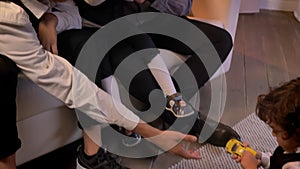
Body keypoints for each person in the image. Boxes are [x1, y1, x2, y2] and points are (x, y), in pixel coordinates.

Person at [0, 1, 202, 169]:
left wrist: (52, 19)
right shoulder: (9, 16)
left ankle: (93, 154)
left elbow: (73, 83)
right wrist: (151, 133)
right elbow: (65, 82)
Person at [74, 0, 240, 148]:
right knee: (126, 63)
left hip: (155, 18)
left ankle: (169, 108)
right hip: (117, 29)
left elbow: (183, 6)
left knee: (221, 40)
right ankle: (192, 122)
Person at [232, 78, 300, 169]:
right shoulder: (291, 146)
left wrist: (250, 166)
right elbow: (276, 161)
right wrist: (257, 156)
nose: (273, 133)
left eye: (276, 130)